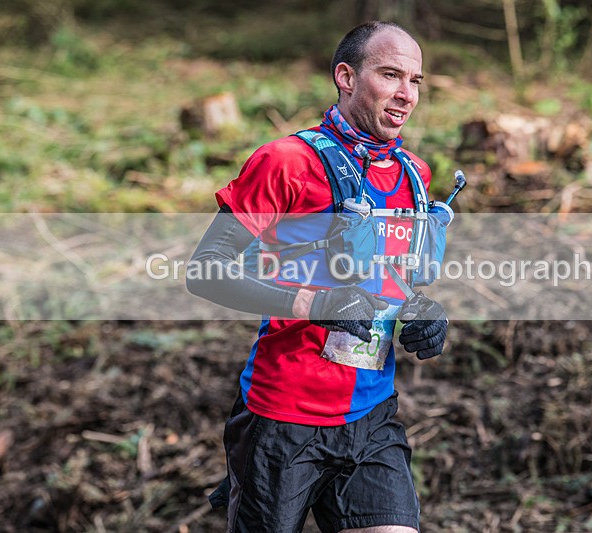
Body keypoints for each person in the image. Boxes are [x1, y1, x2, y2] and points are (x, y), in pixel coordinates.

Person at [186, 21, 448, 533]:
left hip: (372, 416)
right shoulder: (285, 162)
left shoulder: (413, 173)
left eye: (416, 80)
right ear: (346, 77)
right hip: (282, 417)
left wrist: (422, 312)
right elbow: (206, 270)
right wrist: (315, 304)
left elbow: (390, 278)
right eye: (391, 74)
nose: (406, 94)